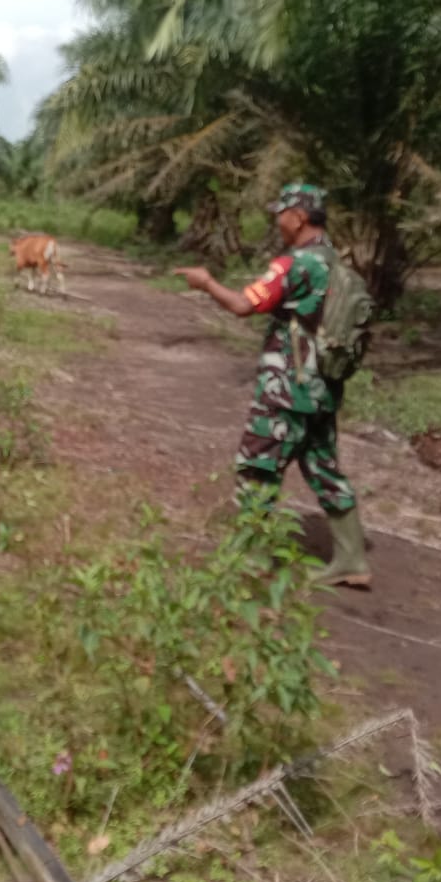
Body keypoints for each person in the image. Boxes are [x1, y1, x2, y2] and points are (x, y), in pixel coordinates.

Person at [173, 182, 369, 589]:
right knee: (323, 467)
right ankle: (351, 559)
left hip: (287, 389)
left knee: (257, 466)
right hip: (323, 388)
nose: (277, 220)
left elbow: (244, 304)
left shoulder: (294, 264)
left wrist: (206, 282)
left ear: (298, 217)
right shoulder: (335, 263)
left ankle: (248, 562)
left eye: (281, 213)